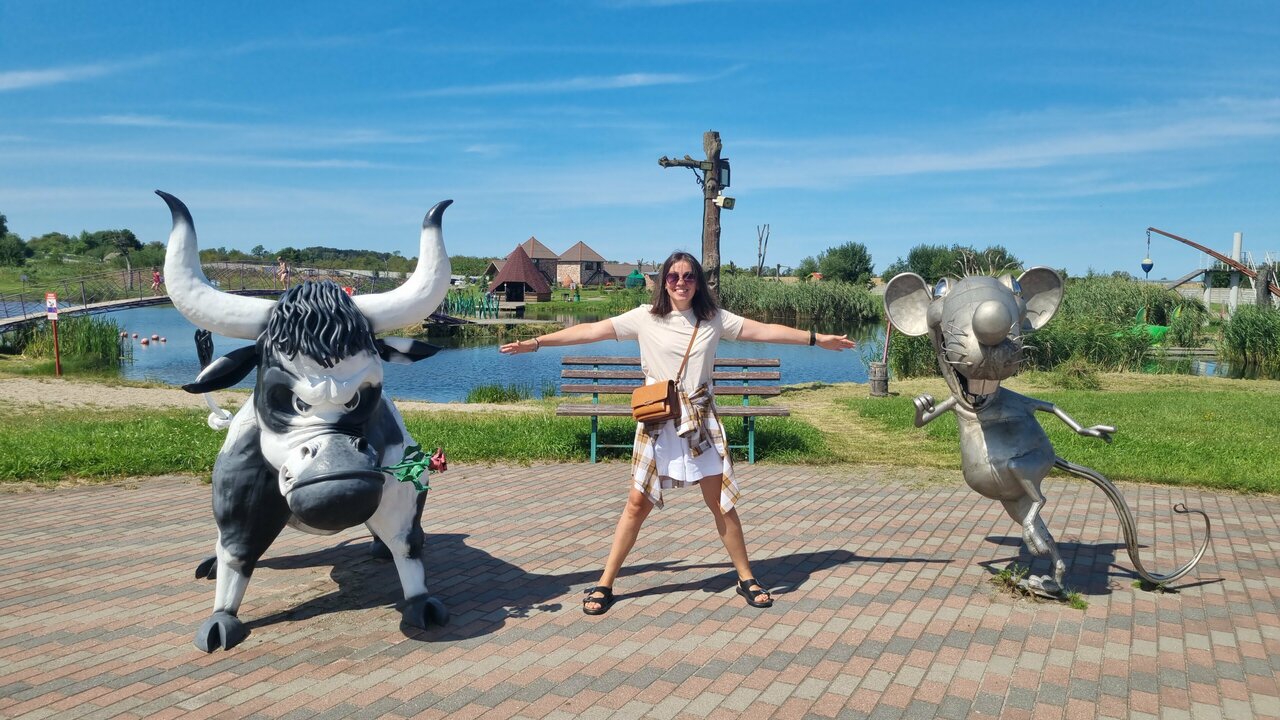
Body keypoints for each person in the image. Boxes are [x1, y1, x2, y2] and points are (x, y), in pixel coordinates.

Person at [499, 251, 855, 615]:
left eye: (688, 276)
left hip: (699, 420)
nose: (681, 283)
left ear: (698, 282)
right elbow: (590, 331)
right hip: (658, 421)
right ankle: (605, 582)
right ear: (663, 282)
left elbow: (764, 331)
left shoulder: (714, 319)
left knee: (721, 503)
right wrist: (537, 342)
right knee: (636, 504)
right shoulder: (644, 317)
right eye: (673, 277)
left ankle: (746, 577)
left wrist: (816, 338)